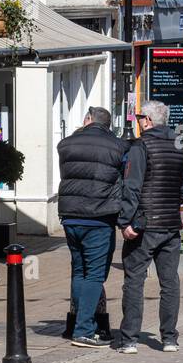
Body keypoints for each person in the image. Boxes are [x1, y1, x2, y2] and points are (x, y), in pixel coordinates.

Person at [116, 100, 183, 354]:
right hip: (171, 224)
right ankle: (169, 338)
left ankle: (129, 339)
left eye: (140, 118)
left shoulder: (141, 146)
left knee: (134, 280)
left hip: (144, 225)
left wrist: (126, 221)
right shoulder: (181, 146)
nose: (138, 122)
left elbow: (132, 186)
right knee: (169, 282)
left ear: (148, 121)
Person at [57, 107, 128, 347]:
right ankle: (83, 330)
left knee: (79, 271)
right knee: (95, 275)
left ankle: (78, 323)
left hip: (70, 216)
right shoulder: (118, 147)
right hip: (99, 217)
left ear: (88, 120)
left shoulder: (66, 144)